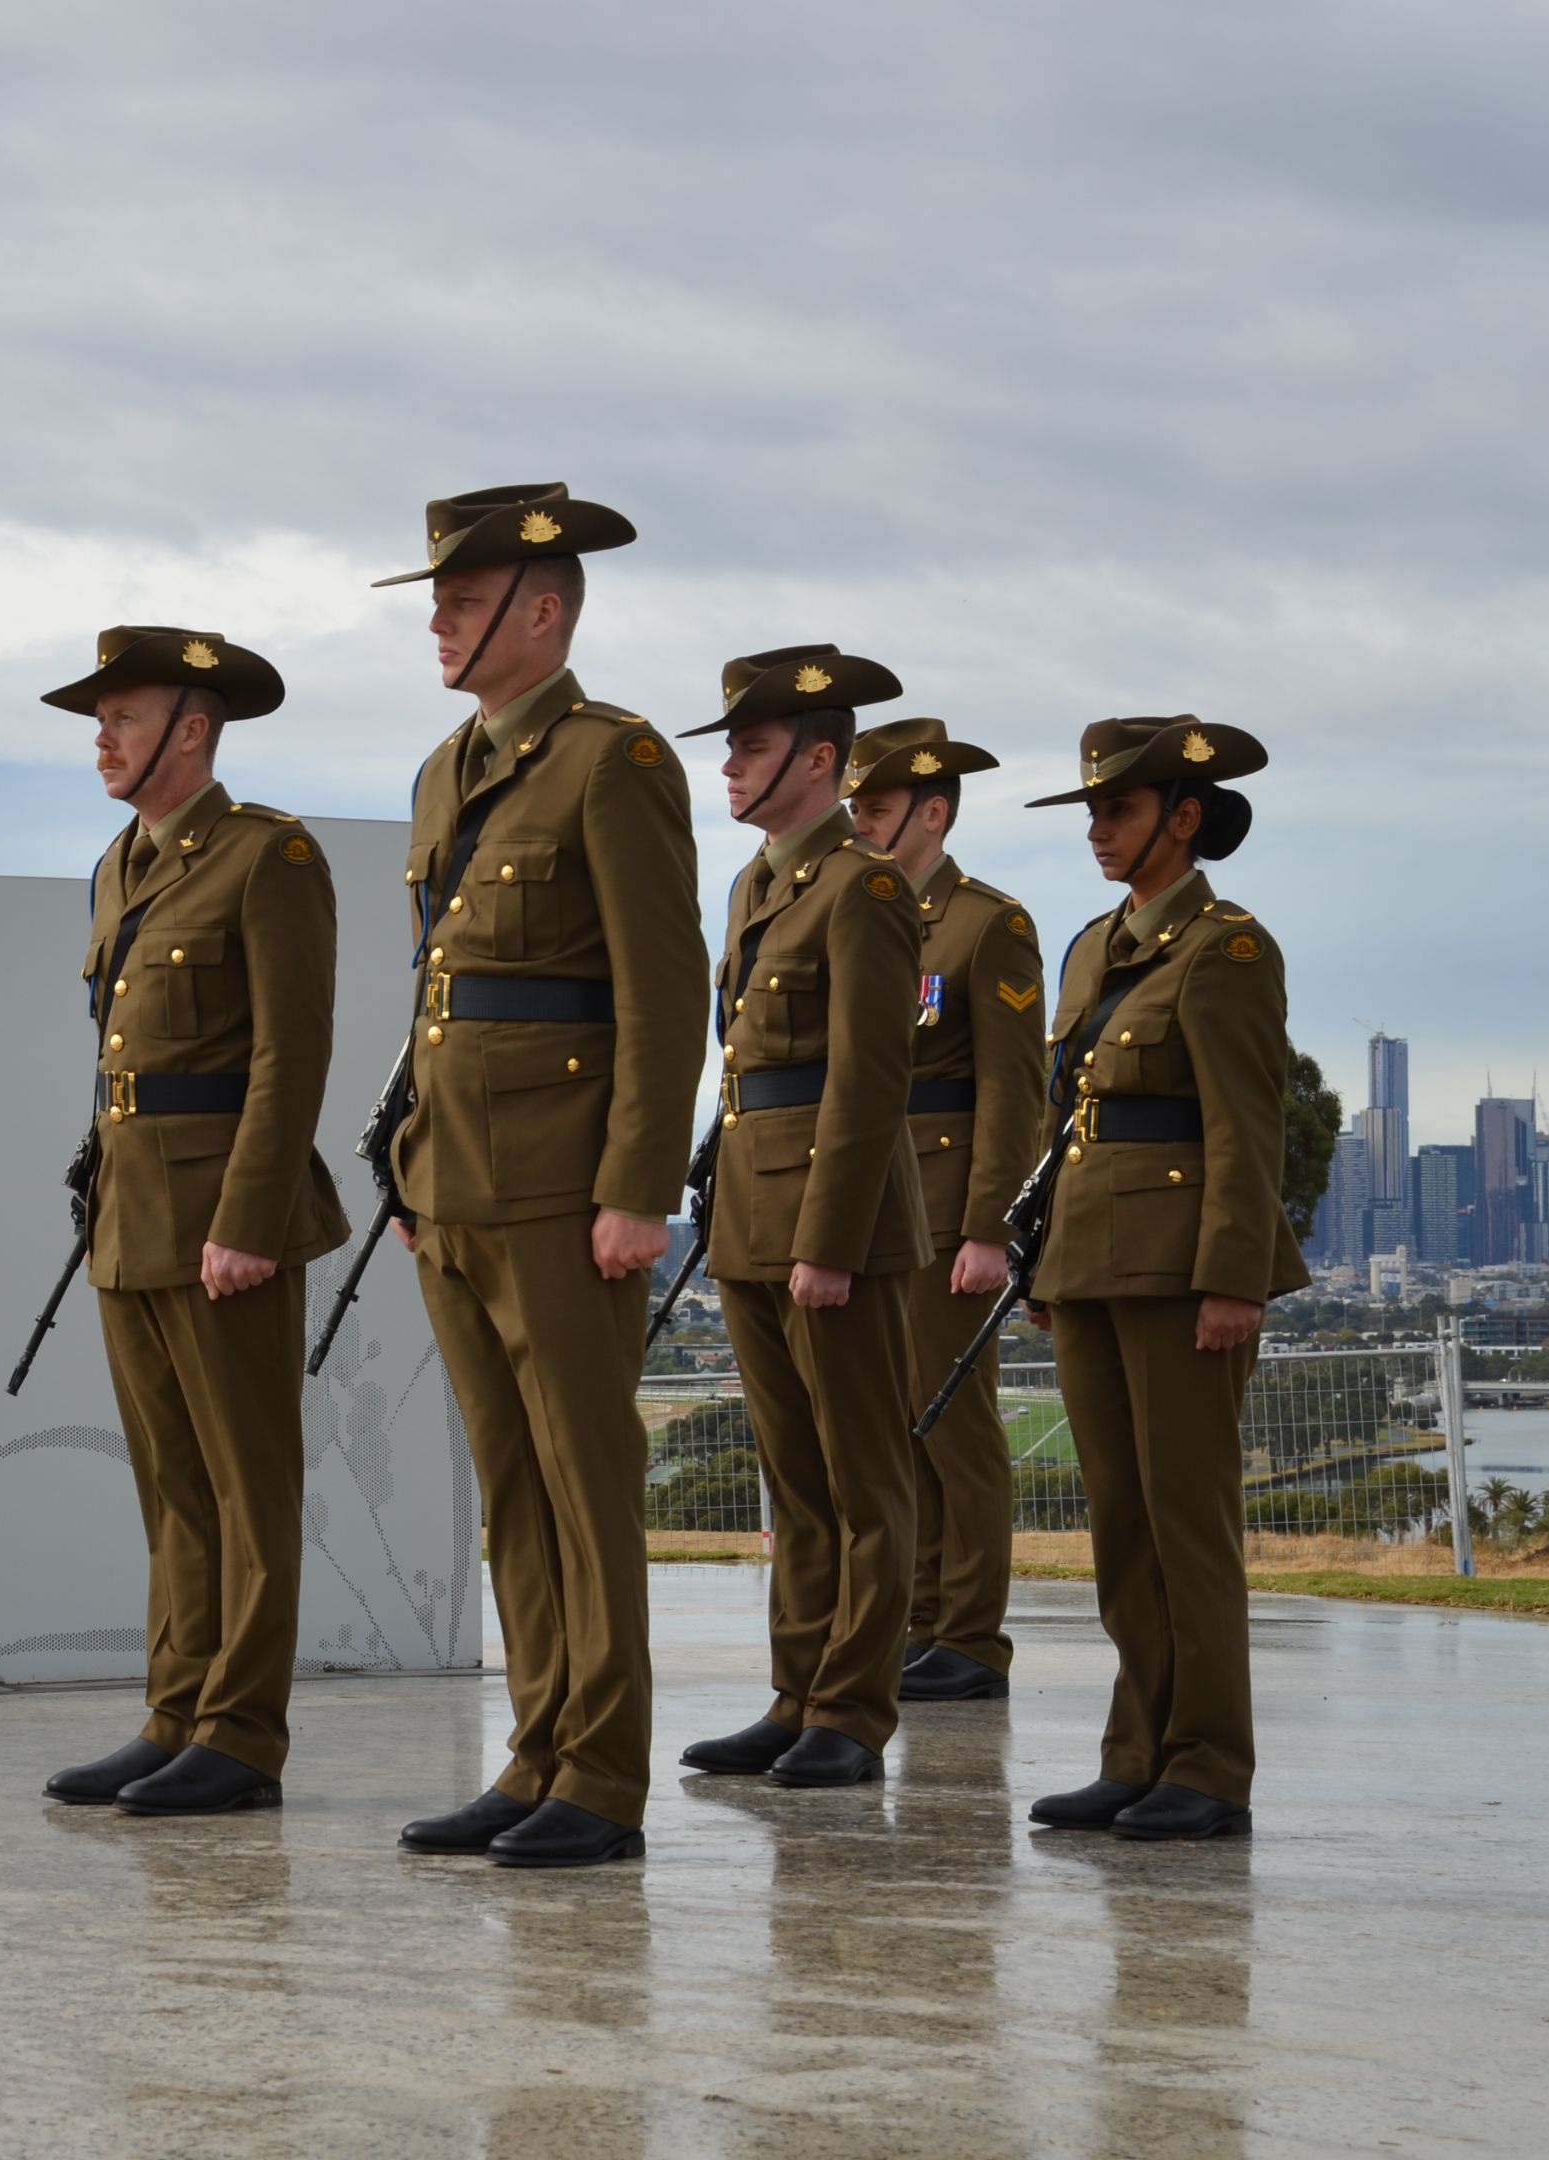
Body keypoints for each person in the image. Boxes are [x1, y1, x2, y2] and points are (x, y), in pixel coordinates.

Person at [370, 486, 704, 1869]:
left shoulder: (611, 761)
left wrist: (638, 1186)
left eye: (462, 597)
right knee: (510, 1490)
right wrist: (407, 1165)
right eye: (440, 600)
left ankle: (602, 1781)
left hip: (567, 1190)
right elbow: (442, 996)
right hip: (452, 1185)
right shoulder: (446, 770)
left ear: (543, 608)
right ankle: (535, 1751)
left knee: (583, 1481)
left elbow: (663, 984)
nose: (438, 621)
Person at [35, 625, 350, 1817]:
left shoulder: (269, 857)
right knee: (170, 1486)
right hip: (133, 1212)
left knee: (246, 1485)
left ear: (193, 729)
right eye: (100, 720)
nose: (102, 739)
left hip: (226, 1215)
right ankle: (175, 1713)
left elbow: (290, 1052)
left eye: (122, 717)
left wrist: (251, 1216)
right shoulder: (121, 863)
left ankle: (241, 1734)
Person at [1017, 718, 1307, 1840]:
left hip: (1184, 1272)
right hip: (1090, 1260)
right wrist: (1042, 1256)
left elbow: (1247, 1128)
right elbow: (1065, 1120)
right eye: (1092, 812)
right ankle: (1134, 1753)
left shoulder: (1228, 950)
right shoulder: (1095, 947)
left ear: (1182, 819)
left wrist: (1234, 1278)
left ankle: (1210, 1765)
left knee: (1188, 1524)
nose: (1098, 830)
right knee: (1122, 1526)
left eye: (1120, 812)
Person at [675, 646, 930, 1789]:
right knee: (798, 1480)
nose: (728, 766)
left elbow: (869, 1080)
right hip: (750, 1210)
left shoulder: (865, 886)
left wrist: (824, 1241)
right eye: (729, 746)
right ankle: (798, 1692)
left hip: (831, 1226)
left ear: (819, 758)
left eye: (751, 747)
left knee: (862, 1477)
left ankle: (854, 1711)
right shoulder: (757, 885)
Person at [841, 719, 1049, 1703]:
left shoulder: (982, 923)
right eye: (853, 806)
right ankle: (919, 1620)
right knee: (893, 1422)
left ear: (932, 810)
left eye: (875, 807)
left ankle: (970, 1635)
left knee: (951, 1422)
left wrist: (989, 1229)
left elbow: (1014, 1091)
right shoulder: (857, 908)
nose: (858, 822)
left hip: (945, 1198)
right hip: (874, 1199)